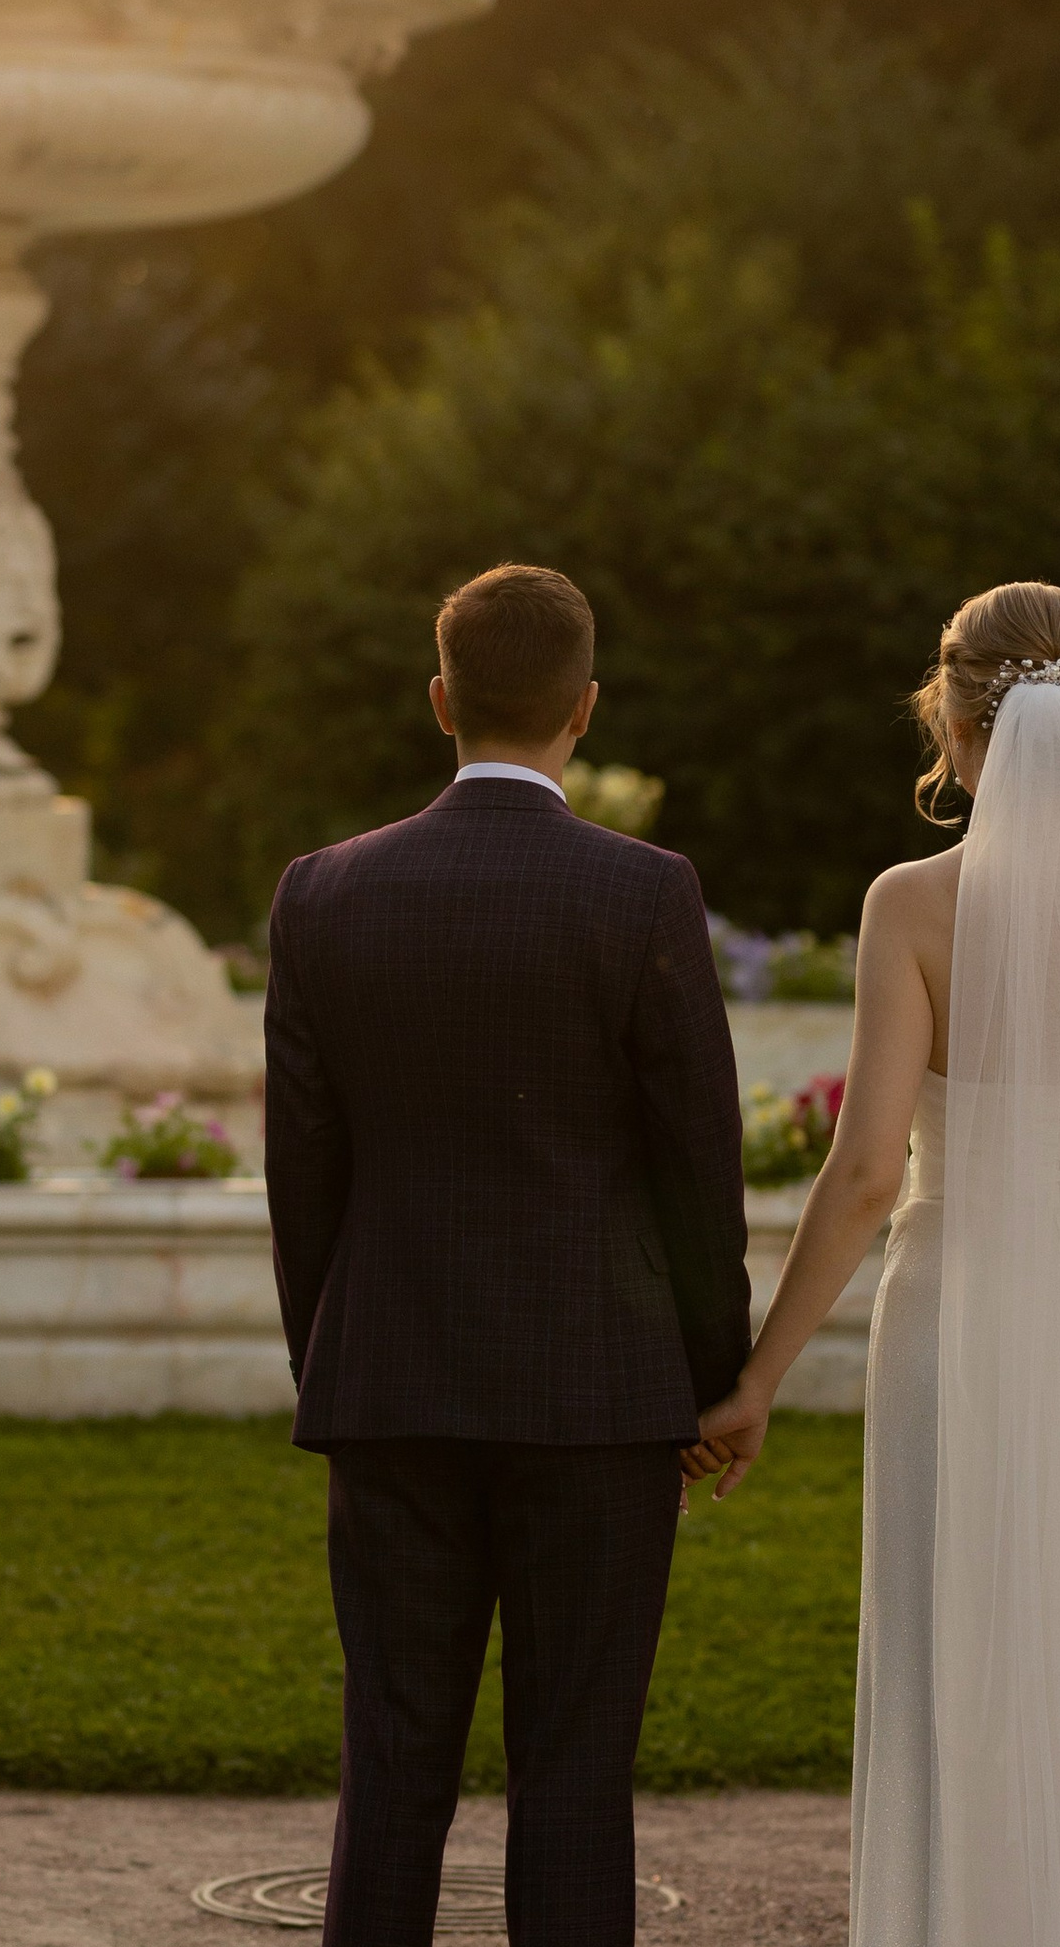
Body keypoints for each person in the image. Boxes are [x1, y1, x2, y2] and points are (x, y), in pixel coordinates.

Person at [685, 581, 1060, 1947]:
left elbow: (862, 1179)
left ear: (957, 734)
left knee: (955, 1671)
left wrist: (755, 1379)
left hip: (958, 1328)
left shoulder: (914, 905)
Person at [265, 562, 750, 1947]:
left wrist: (334, 1356)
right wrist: (710, 1376)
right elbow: (695, 1169)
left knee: (395, 1765)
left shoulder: (324, 894)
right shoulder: (644, 895)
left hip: (391, 1384)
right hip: (601, 1399)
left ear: (441, 700)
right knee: (579, 1773)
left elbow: (304, 1174)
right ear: (584, 709)